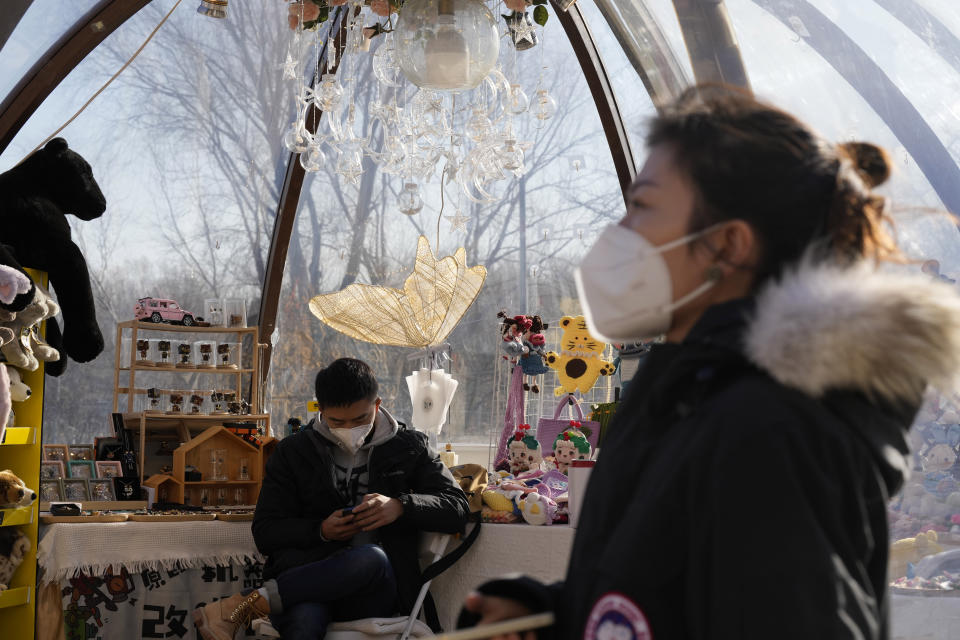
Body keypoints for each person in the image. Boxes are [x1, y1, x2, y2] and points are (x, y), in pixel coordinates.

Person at [461, 86, 960, 639]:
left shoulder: (764, 427)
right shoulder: (683, 391)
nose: (617, 234)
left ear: (726, 245)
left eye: (643, 207)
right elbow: (685, 594)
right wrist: (554, 615)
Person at [194, 357, 470, 640]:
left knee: (370, 559)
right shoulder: (294, 452)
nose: (350, 429)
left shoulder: (410, 447)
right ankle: (250, 605)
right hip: (305, 579)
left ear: (377, 405)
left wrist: (400, 506)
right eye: (337, 421)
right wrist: (321, 531)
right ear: (320, 409)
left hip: (376, 589)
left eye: (361, 419)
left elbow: (458, 506)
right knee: (304, 620)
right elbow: (265, 532)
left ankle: (245, 605)